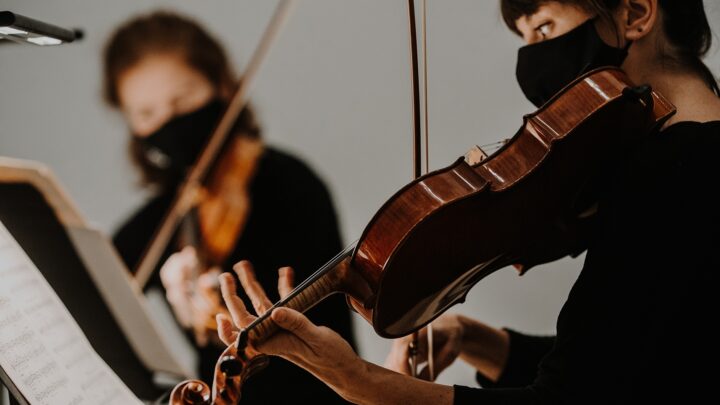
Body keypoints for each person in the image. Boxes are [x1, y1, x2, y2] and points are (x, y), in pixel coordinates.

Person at [215, 0, 720, 403]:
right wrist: (480, 343)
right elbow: (644, 368)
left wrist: (359, 382)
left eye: (543, 28)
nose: (532, 62)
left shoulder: (676, 177)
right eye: (522, 38)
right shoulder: (676, 161)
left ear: (635, 13)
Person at [103, 11, 355, 404]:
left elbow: (303, 325)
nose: (169, 123)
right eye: (147, 114)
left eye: (182, 99)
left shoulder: (290, 184)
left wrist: (213, 308)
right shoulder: (169, 212)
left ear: (221, 84)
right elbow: (101, 285)